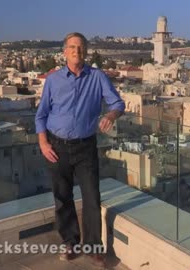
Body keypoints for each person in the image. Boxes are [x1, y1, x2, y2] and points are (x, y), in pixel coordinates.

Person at [35, 32, 125, 267]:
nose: (77, 51)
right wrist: (43, 143)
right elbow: (41, 115)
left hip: (85, 146)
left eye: (81, 47)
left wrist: (111, 114)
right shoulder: (53, 80)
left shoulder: (97, 77)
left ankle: (94, 247)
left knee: (92, 196)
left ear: (86, 51)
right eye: (73, 47)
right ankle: (71, 243)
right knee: (62, 197)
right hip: (56, 146)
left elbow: (117, 103)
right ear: (65, 51)